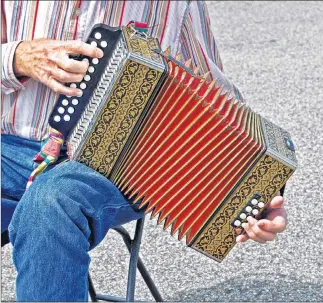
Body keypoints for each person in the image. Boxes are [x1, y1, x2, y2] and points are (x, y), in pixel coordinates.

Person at [1, 1, 288, 301]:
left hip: (117, 167)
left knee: (50, 204)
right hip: (11, 144)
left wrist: (263, 194)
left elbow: (222, 104)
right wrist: (17, 58)